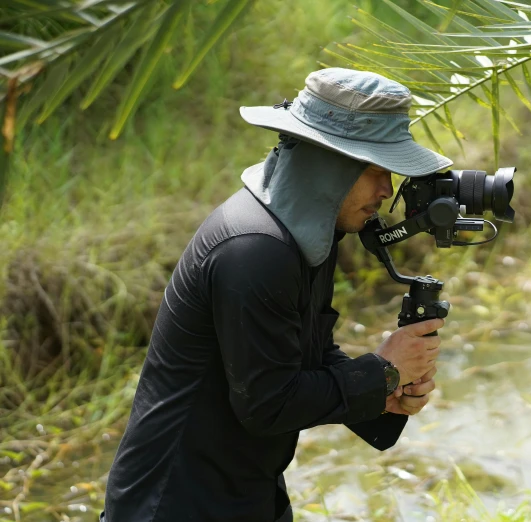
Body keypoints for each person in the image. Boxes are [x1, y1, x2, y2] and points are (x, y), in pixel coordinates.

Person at [100, 67, 454, 522]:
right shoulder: (253, 249)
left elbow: (313, 355)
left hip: (246, 490)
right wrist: (382, 373)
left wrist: (384, 393)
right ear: (326, 165)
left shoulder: (308, 235)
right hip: (175, 501)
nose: (386, 192)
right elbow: (268, 403)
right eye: (375, 171)